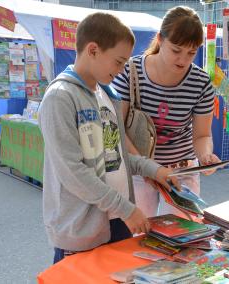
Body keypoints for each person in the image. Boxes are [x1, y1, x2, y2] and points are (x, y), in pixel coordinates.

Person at [38, 12, 176, 264]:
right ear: (92, 50)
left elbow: (118, 157)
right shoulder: (60, 97)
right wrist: (125, 208)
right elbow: (73, 172)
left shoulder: (107, 95)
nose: (122, 70)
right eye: (119, 61)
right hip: (81, 229)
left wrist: (153, 170)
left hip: (117, 220)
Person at [112, 6, 220, 217]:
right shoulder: (130, 71)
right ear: (160, 39)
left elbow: (202, 135)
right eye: (176, 50)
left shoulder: (201, 83)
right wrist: (148, 168)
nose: (183, 60)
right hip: (139, 170)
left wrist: (206, 156)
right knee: (138, 235)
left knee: (183, 235)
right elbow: (118, 129)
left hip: (183, 170)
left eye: (191, 53)